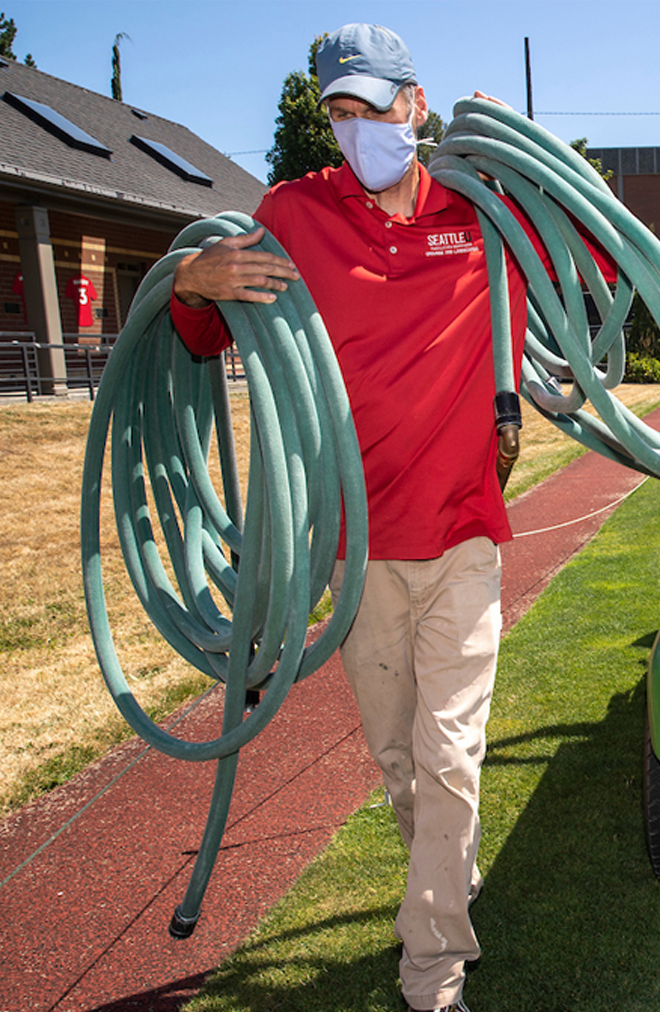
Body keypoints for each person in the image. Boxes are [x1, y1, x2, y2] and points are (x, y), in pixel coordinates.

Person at [169, 24, 576, 1012]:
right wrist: (191, 283)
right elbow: (197, 336)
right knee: (403, 759)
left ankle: (431, 971)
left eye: (374, 107)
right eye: (339, 114)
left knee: (448, 751)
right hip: (353, 549)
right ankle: (450, 869)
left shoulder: (486, 220)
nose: (359, 132)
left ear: (417, 102)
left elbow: (593, 278)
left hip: (464, 534)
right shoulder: (296, 215)